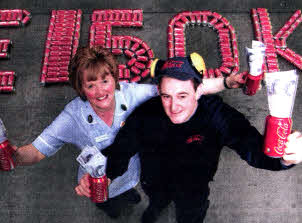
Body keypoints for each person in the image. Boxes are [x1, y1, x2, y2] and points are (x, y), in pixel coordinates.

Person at [0, 47, 245, 218]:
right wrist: (14, 155)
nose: (100, 91)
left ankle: (129, 194)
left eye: (105, 80)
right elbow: (37, 151)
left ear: (115, 79)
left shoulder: (133, 95)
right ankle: (112, 209)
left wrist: (226, 82)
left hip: (133, 174)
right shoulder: (72, 116)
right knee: (111, 207)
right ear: (81, 87)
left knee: (133, 193)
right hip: (99, 185)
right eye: (90, 84)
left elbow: (185, 87)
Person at [76, 55, 302, 223]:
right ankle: (155, 209)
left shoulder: (217, 115)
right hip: (155, 183)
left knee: (191, 216)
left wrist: (285, 158)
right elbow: (121, 149)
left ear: (199, 90)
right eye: (166, 96)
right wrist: (104, 175)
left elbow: (254, 151)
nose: (173, 107)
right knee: (156, 203)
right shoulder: (147, 113)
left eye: (182, 96)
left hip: (194, 189)